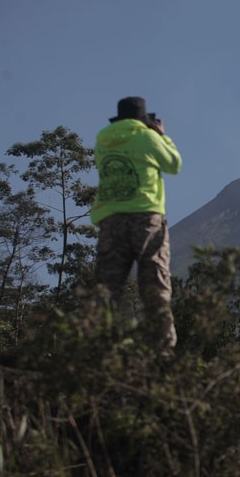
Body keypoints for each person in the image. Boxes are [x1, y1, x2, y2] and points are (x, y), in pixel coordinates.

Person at [90, 96, 182, 350]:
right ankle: (162, 348)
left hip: (111, 219)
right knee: (154, 281)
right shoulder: (147, 137)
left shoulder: (103, 139)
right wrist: (162, 135)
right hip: (145, 216)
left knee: (107, 286)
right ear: (145, 119)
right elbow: (173, 164)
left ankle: (96, 347)